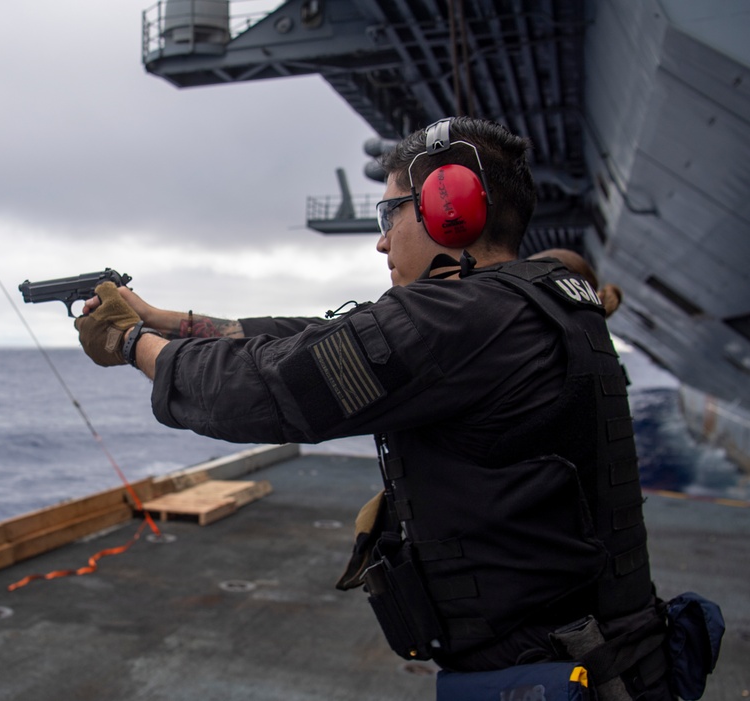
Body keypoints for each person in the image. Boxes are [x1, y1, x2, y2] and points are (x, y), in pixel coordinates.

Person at [74, 117, 671, 699]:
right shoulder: (536, 301)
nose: (382, 239)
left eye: (391, 214)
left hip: (552, 669)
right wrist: (162, 320)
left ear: (449, 207)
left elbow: (272, 387)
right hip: (598, 652)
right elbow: (322, 339)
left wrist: (129, 343)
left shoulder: (460, 319)